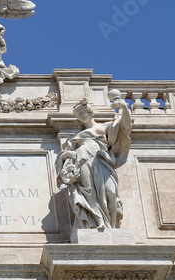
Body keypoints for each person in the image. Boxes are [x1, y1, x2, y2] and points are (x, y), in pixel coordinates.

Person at [56, 92, 132, 231]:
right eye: (78, 115)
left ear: (89, 111)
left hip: (102, 162)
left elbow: (126, 127)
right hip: (83, 163)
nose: (81, 116)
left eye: (82, 112)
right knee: (89, 192)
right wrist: (67, 155)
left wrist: (124, 108)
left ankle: (111, 226)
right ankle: (98, 222)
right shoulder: (75, 137)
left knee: (111, 192)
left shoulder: (104, 127)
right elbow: (65, 158)